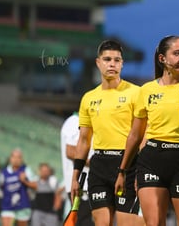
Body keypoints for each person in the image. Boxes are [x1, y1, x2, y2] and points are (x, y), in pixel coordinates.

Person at [115, 35, 179, 226]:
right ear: (162, 58)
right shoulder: (146, 90)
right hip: (152, 160)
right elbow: (136, 135)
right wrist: (123, 171)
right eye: (177, 53)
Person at [70, 39, 145, 226]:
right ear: (98, 62)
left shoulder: (136, 93)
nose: (112, 64)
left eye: (117, 60)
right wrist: (75, 177)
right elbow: (84, 140)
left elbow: (143, 136)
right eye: (107, 59)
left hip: (128, 166)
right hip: (99, 167)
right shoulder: (89, 98)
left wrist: (139, 171)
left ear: (122, 63)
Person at [60, 111, 94, 226]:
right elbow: (70, 151)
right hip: (81, 185)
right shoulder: (75, 121)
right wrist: (98, 164)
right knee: (83, 221)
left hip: (87, 184)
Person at [0, 148, 36, 226]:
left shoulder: (26, 170)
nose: (16, 159)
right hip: (7, 205)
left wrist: (25, 181)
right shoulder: (4, 172)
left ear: (21, 159)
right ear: (10, 158)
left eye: (18, 157)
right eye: (14, 157)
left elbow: (36, 185)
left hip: (23, 205)